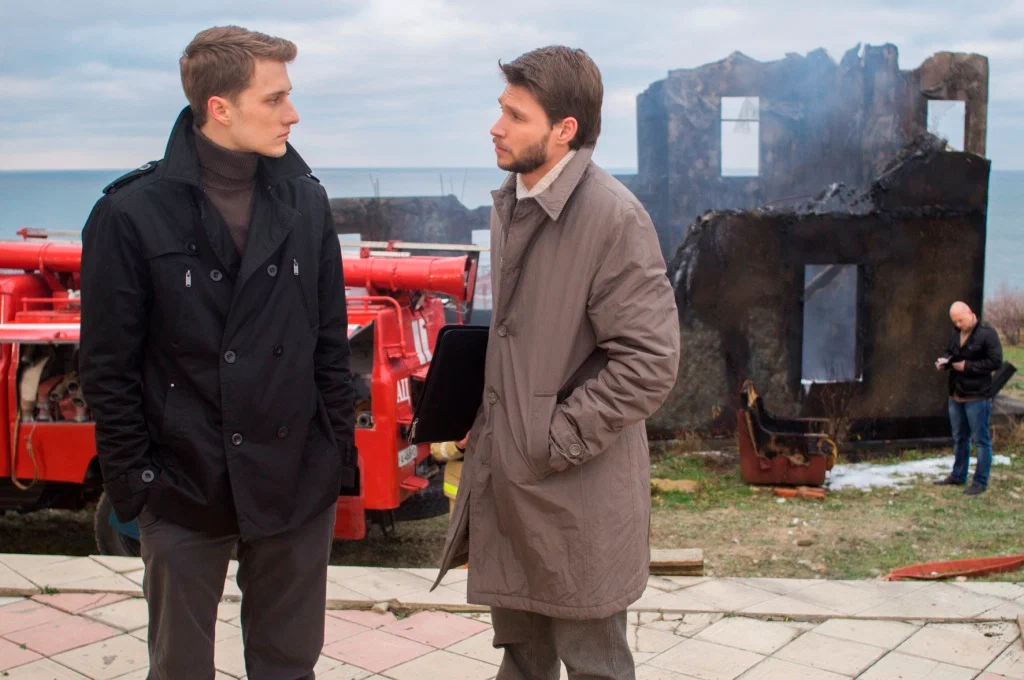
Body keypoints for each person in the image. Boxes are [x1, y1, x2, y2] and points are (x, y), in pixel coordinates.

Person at [79, 25, 358, 679]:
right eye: (275, 98)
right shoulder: (130, 214)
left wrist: (334, 458)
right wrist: (139, 484)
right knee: (179, 668)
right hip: (182, 482)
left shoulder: (306, 201)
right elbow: (108, 368)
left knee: (289, 665)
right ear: (220, 108)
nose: (292, 113)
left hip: (294, 476)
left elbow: (328, 344)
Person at [431, 46, 680, 679]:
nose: (496, 127)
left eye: (516, 116)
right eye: (501, 110)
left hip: (576, 494)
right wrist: (485, 418)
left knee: (595, 665)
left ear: (565, 129)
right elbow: (527, 341)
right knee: (520, 661)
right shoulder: (514, 200)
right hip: (512, 485)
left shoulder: (615, 218)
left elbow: (649, 362)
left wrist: (550, 438)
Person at [934, 301, 1002, 495]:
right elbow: (951, 353)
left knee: (981, 440)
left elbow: (995, 362)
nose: (958, 324)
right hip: (956, 393)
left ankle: (980, 481)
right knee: (960, 438)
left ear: (970, 313)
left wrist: (967, 366)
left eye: (960, 320)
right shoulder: (956, 332)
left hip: (977, 396)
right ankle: (958, 475)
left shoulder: (987, 334)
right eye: (955, 321)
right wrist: (945, 362)